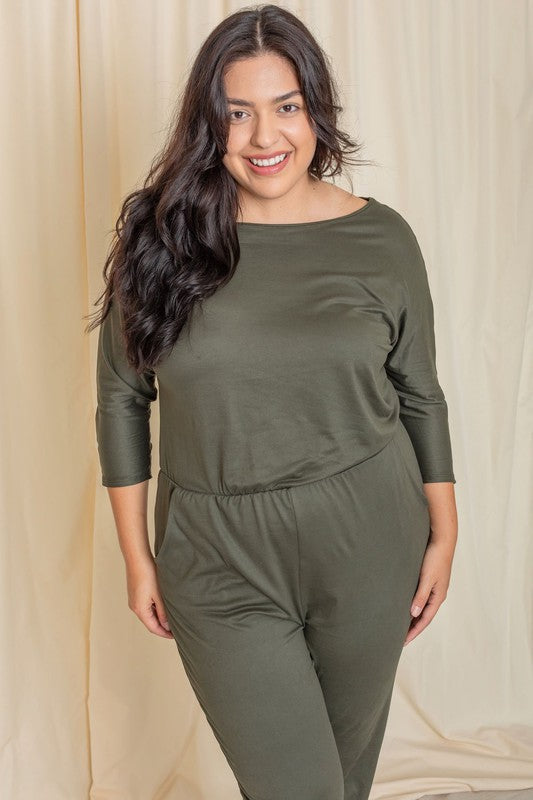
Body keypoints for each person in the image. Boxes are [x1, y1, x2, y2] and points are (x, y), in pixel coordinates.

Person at [89, 4, 458, 799]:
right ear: (207, 124)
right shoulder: (159, 242)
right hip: (214, 550)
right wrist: (136, 557)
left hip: (368, 531)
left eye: (286, 107)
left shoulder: (381, 239)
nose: (265, 138)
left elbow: (418, 390)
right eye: (237, 112)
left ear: (316, 110)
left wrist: (444, 528)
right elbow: (121, 399)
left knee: (344, 780)